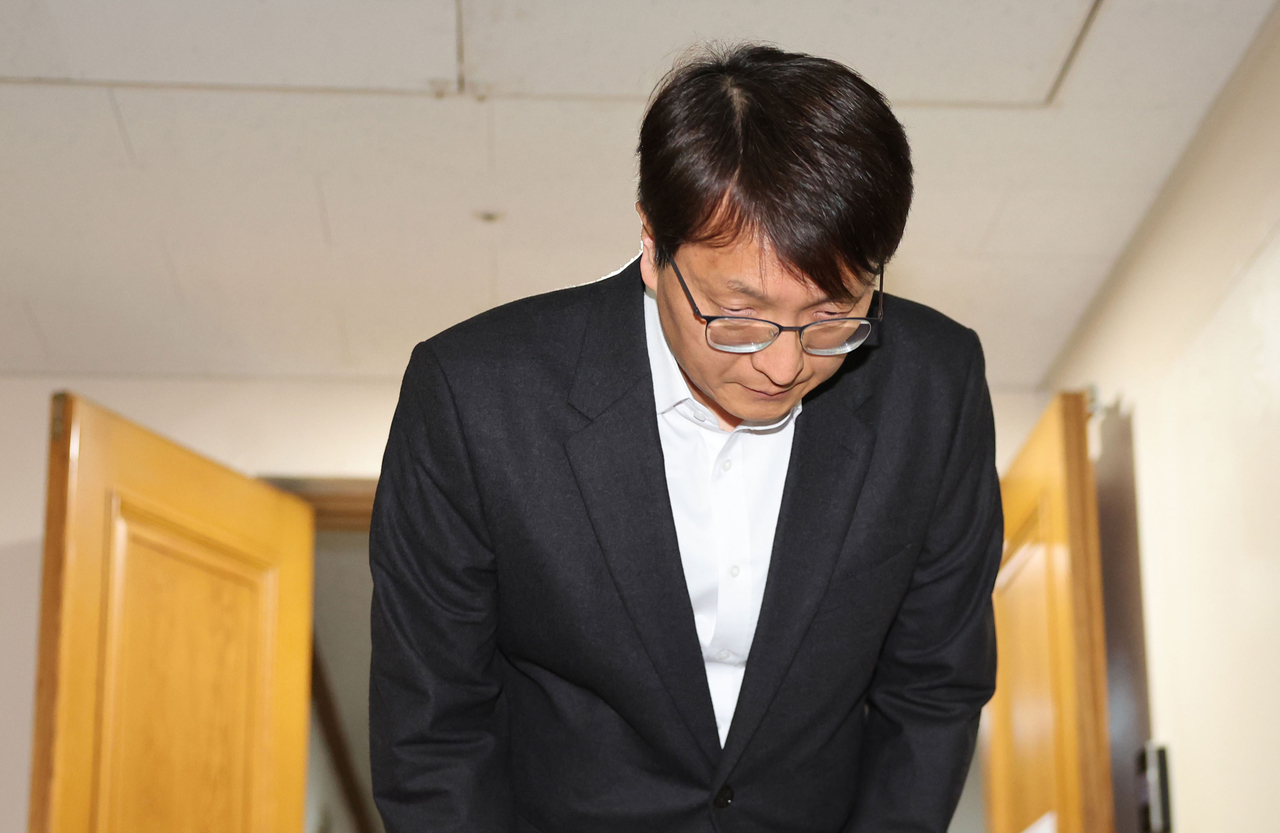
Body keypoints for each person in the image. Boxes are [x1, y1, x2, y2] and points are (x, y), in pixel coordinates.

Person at [369, 43, 1002, 833]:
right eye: (736, 316)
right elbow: (432, 732)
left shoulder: (933, 390)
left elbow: (933, 689)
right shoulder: (476, 399)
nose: (782, 363)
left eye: (832, 316)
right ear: (650, 243)